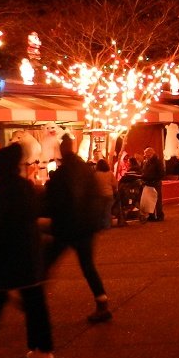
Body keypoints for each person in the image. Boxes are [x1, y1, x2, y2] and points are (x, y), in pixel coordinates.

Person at [0, 144, 54, 358]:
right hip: (29, 253)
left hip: (3, 255)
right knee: (35, 303)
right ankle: (42, 348)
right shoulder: (26, 187)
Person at [45, 136, 112, 323]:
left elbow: (59, 201)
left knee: (48, 261)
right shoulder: (86, 170)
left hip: (68, 227)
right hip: (86, 227)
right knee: (88, 266)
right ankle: (102, 303)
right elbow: (94, 196)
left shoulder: (62, 174)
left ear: (62, 151)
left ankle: (34, 298)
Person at [140, 146, 165, 223]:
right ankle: (151, 215)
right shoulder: (145, 162)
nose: (147, 157)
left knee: (157, 200)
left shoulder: (157, 162)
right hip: (148, 183)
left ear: (152, 154)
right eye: (146, 155)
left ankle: (159, 215)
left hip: (155, 183)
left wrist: (154, 178)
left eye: (148, 155)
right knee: (149, 200)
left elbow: (161, 173)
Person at [94, 159, 116, 230]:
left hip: (100, 194)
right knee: (108, 211)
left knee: (100, 211)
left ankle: (99, 226)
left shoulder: (96, 174)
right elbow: (115, 183)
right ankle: (107, 226)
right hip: (109, 194)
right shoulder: (110, 173)